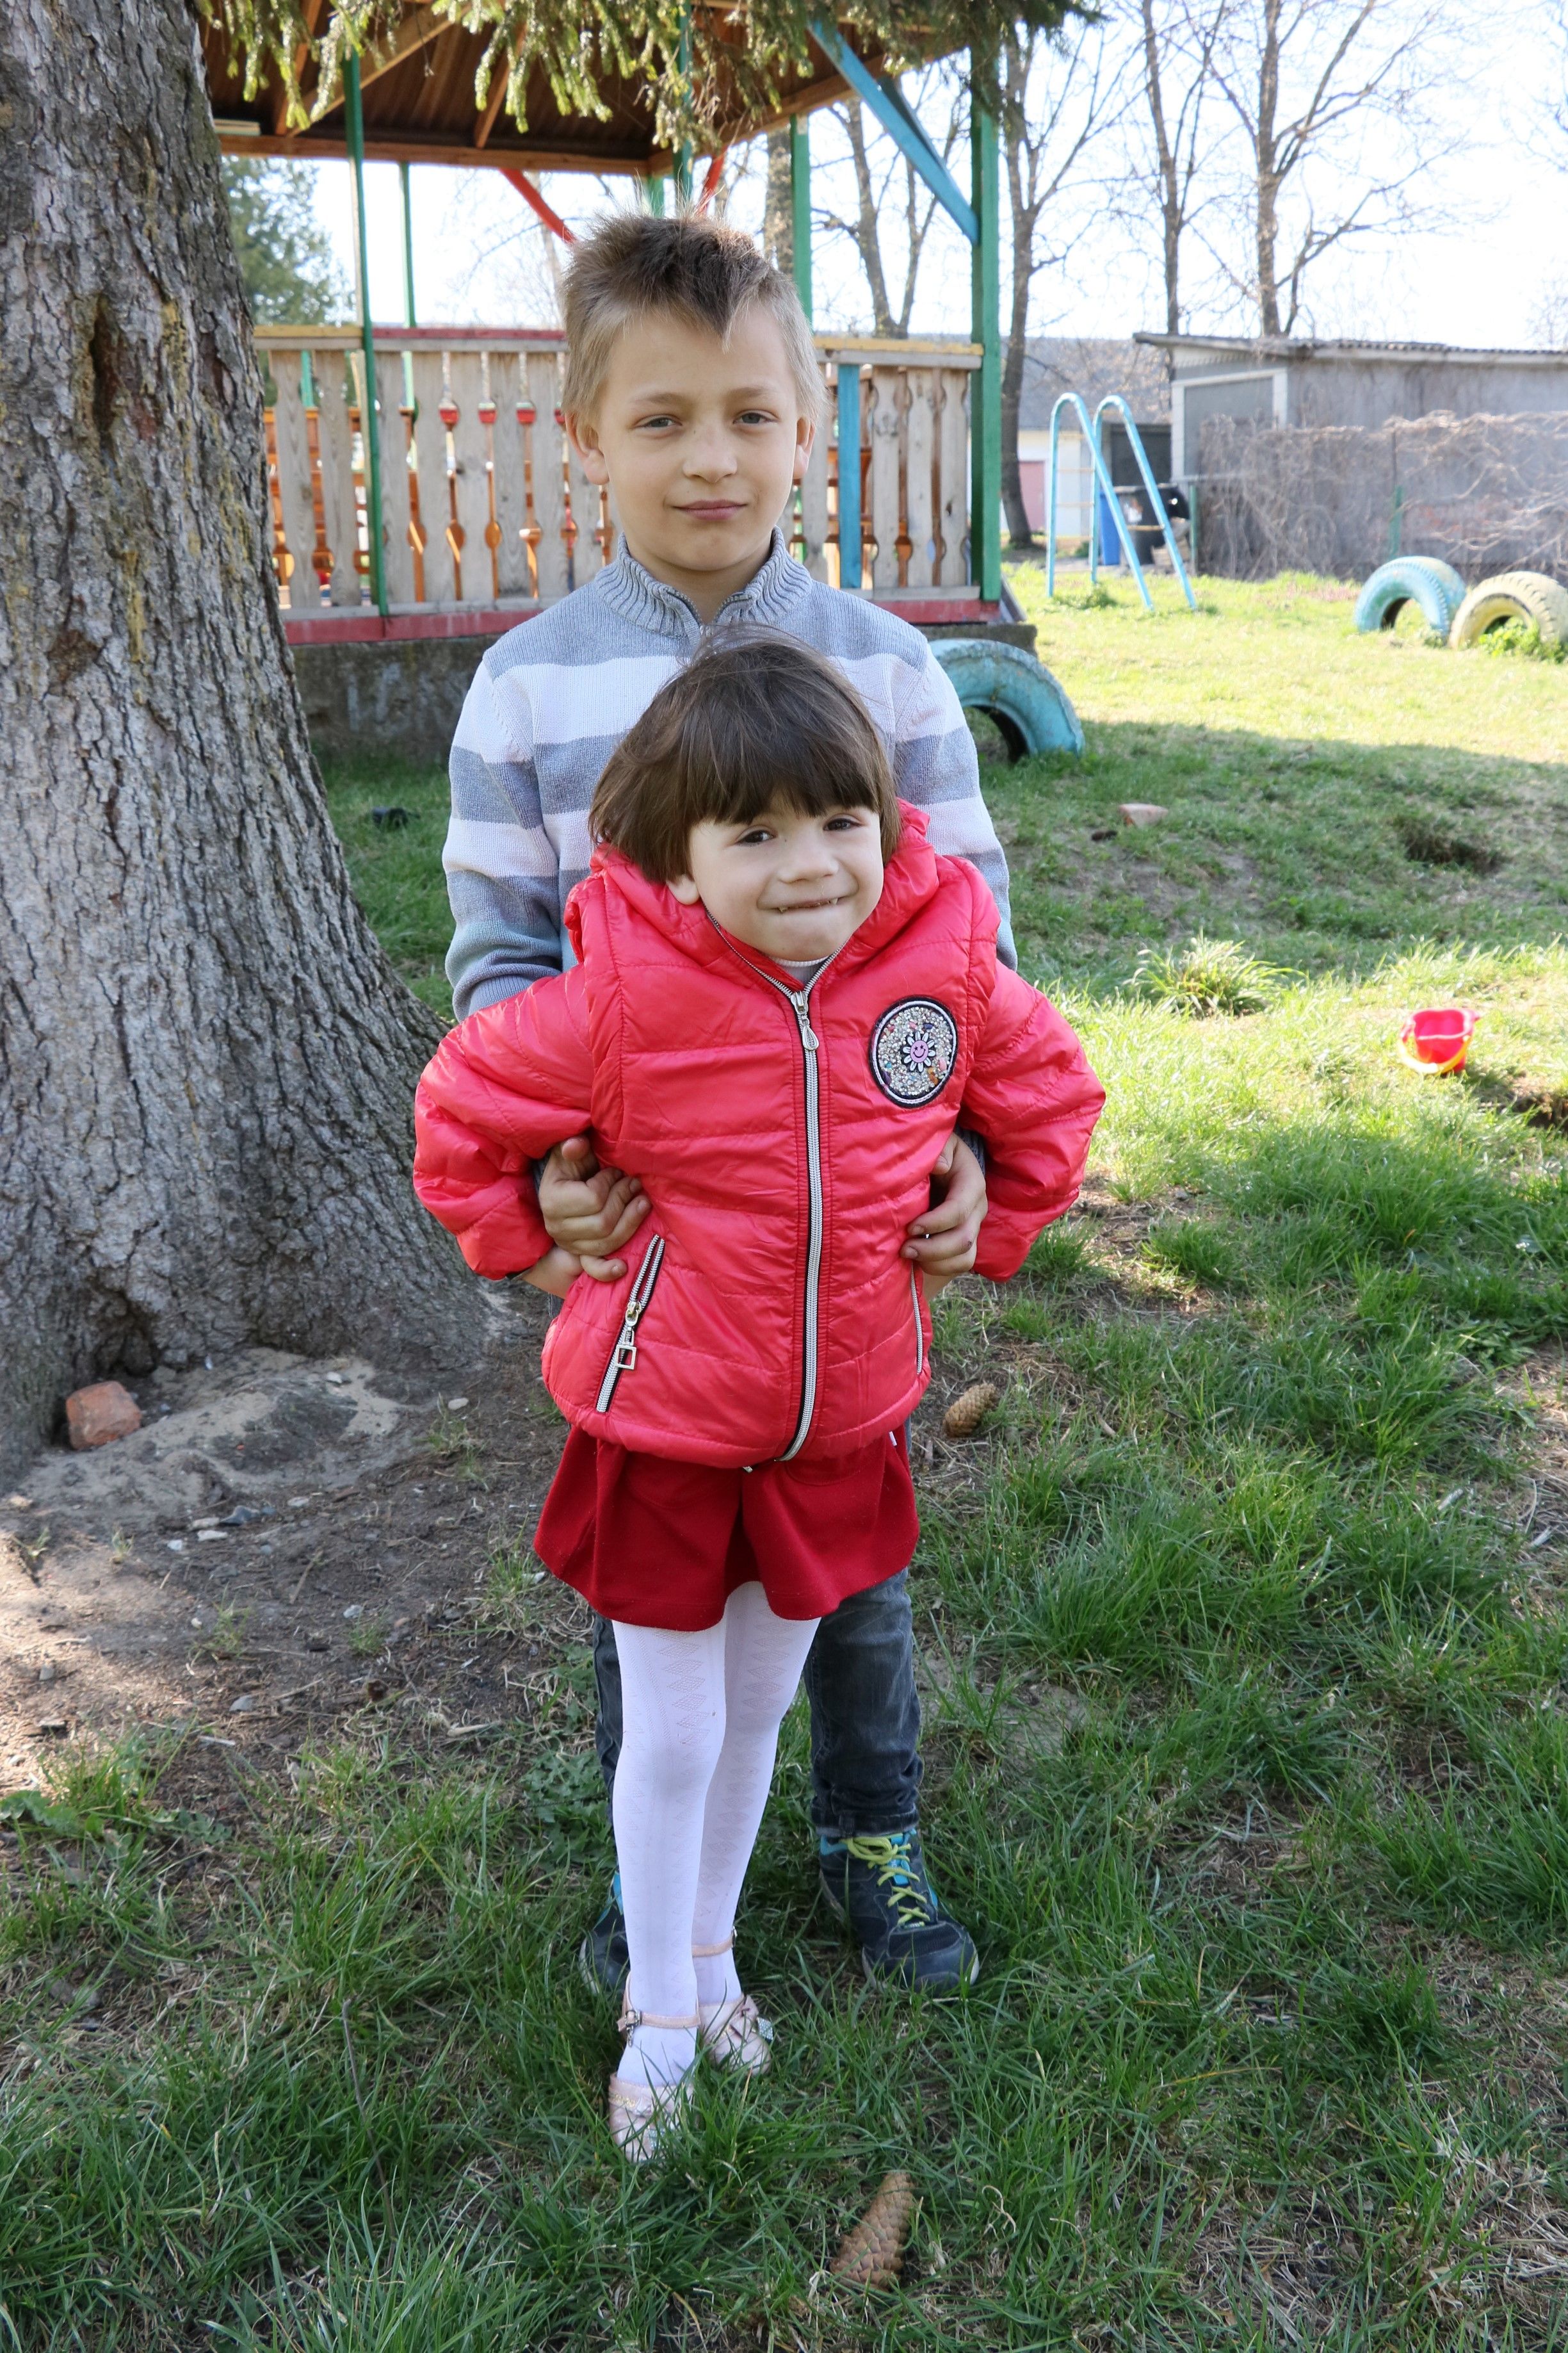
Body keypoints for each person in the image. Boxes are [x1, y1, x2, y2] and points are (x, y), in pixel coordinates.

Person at [414, 637, 1104, 2158]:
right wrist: (537, 1246)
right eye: (755, 833)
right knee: (670, 1730)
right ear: (679, 856)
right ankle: (659, 2010)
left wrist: (987, 1211)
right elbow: (460, 1109)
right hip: (665, 1423)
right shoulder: (618, 998)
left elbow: (1050, 1090)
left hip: (835, 1422)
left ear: (886, 823)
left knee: (756, 1711)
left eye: (841, 822)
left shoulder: (941, 964)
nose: (808, 866)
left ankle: (713, 1956)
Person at [442, 206, 1016, 1995]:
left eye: (752, 415)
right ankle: (661, 1877)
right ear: (584, 436)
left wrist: (970, 1144)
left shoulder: (890, 667)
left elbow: (973, 949)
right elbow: (500, 957)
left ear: (805, 425)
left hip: (847, 1246)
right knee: (662, 1572)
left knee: (851, 1560)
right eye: (664, 418)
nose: (713, 457)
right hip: (659, 1258)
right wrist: (552, 1170)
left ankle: (870, 1827)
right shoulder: (525, 688)